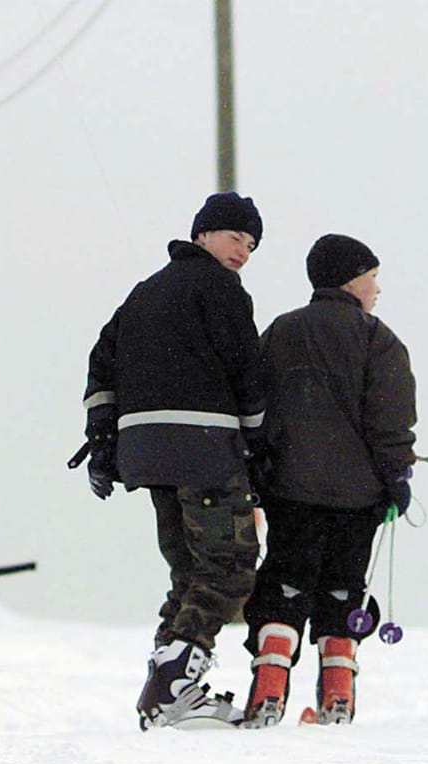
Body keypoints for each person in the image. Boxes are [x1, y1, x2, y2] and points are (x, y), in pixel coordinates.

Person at [81, 192, 267, 729]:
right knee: (229, 566)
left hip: (146, 454)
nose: (244, 253)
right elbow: (246, 372)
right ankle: (174, 686)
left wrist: (104, 442)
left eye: (252, 246)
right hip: (204, 448)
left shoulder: (142, 294)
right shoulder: (221, 290)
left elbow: (101, 367)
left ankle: (165, 687)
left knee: (188, 571)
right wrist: (257, 442)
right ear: (203, 234)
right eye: (236, 237)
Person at [241, 233, 417, 728]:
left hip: (289, 490)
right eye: (372, 277)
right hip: (359, 497)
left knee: (284, 585)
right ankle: (338, 693)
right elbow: (391, 419)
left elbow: (255, 407)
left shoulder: (280, 332)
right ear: (350, 279)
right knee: (343, 587)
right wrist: (396, 477)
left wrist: (260, 469)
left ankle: (269, 687)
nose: (377, 289)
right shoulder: (378, 339)